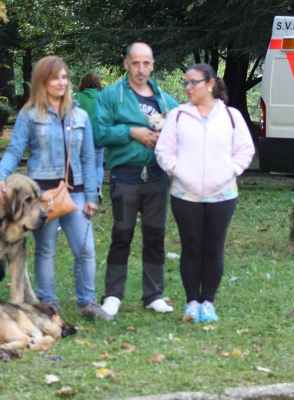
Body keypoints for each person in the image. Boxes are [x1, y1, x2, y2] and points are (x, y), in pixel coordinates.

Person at [0, 56, 113, 321]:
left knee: (86, 249)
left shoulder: (80, 114)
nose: (61, 82)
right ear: (42, 82)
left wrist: (92, 195)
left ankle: (87, 303)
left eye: (64, 77)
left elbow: (89, 157)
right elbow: (14, 150)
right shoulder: (29, 114)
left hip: (77, 191)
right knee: (46, 250)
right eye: (55, 78)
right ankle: (47, 303)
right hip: (41, 196)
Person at [155, 63, 255, 323]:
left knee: (213, 249)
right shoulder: (177, 116)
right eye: (186, 83)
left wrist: (230, 171)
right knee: (191, 249)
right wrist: (178, 171)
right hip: (184, 195)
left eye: (193, 82)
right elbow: (163, 150)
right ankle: (191, 303)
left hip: (222, 195)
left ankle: (208, 303)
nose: (188, 88)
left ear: (209, 84)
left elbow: (245, 149)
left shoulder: (231, 116)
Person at [94, 42, 178, 317]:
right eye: (135, 63)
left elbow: (183, 128)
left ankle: (153, 294)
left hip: (156, 178)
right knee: (122, 235)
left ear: (153, 65)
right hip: (125, 177)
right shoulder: (110, 96)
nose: (141, 69)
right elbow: (99, 133)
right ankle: (113, 296)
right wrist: (133, 132)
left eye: (146, 63)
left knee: (155, 237)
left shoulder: (165, 100)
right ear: (126, 64)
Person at [73, 72, 104, 202]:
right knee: (98, 164)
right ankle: (97, 186)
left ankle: (85, 189)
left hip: (82, 136)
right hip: (99, 135)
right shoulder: (102, 97)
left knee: (82, 163)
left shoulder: (77, 97)